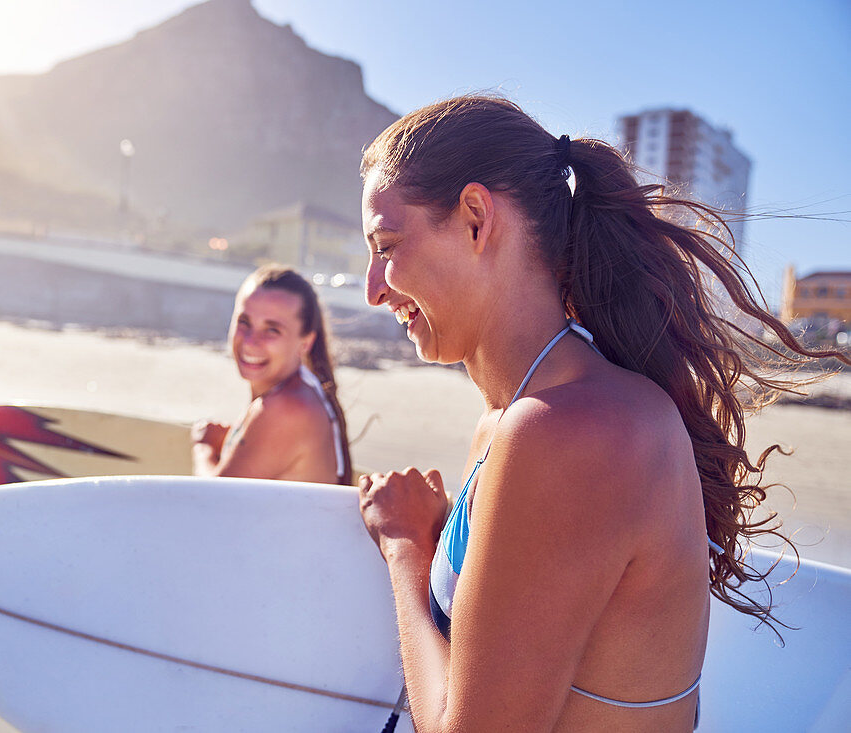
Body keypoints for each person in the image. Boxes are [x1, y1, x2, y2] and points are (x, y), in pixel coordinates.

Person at [355, 95, 849, 732]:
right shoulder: (519, 420)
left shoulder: (570, 431)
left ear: (477, 218)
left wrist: (404, 551)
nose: (372, 287)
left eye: (386, 245)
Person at [191, 264, 353, 485]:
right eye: (244, 322)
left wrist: (204, 446)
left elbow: (210, 500)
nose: (250, 341)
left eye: (272, 330)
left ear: (305, 342)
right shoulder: (293, 393)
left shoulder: (287, 408)